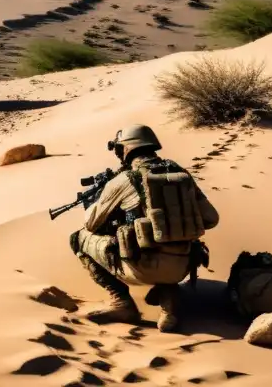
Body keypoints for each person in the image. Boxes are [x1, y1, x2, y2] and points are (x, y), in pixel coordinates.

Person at [69, 124, 219, 332]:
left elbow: (91, 224)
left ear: (127, 149)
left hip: (141, 267)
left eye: (119, 149)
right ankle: (169, 306)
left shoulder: (123, 180)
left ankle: (121, 303)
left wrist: (95, 202)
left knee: (78, 238)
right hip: (183, 266)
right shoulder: (179, 173)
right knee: (167, 240)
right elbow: (211, 218)